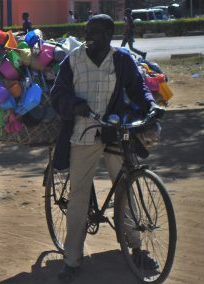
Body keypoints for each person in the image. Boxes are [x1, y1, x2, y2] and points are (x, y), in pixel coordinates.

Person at [50, 14, 164, 282]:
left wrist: (151, 108)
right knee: (78, 197)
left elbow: (139, 89)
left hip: (115, 132)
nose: (90, 36)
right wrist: (74, 104)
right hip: (83, 135)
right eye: (88, 31)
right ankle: (72, 260)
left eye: (97, 32)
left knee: (125, 188)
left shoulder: (122, 60)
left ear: (110, 34)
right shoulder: (73, 60)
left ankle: (136, 248)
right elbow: (57, 95)